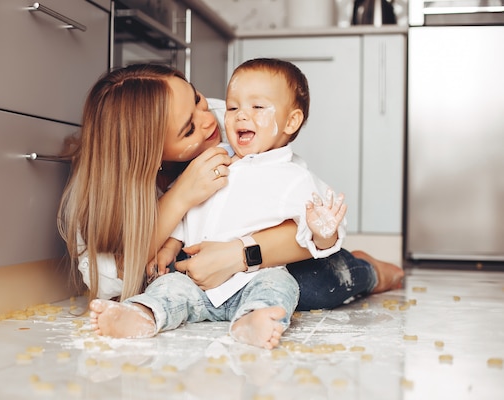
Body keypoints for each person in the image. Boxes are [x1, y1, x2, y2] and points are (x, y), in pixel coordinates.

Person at [57, 63, 403, 337]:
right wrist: (181, 197)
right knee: (164, 286)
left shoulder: (236, 115)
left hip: (264, 251)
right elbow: (115, 280)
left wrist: (240, 254)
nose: (211, 121)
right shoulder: (103, 190)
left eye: (197, 100)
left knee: (312, 284)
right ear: (150, 156)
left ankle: (367, 268)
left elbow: (294, 220)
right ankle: (148, 317)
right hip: (190, 262)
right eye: (188, 130)